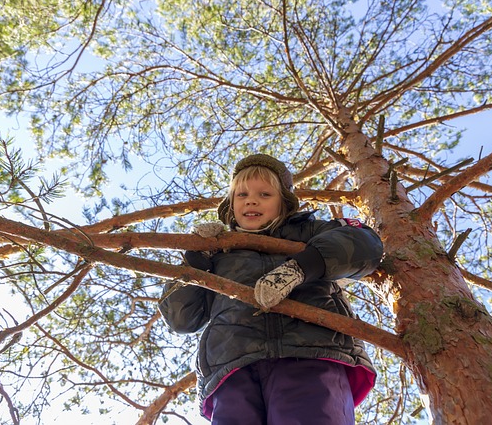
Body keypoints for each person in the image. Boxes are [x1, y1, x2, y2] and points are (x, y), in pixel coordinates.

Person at [159, 154, 384, 425]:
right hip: (232, 366)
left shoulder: (309, 231)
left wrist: (300, 267)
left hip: (312, 353)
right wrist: (194, 262)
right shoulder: (219, 253)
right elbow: (181, 319)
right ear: (231, 205)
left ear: (284, 203)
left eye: (264, 194)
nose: (251, 200)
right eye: (241, 194)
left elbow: (364, 244)